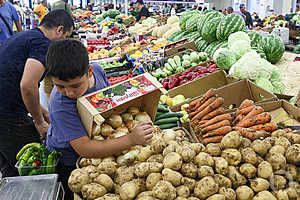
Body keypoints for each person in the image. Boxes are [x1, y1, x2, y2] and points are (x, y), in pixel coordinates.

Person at [45, 39, 154, 200]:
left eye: (75, 86)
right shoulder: (60, 104)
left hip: (99, 141)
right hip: (71, 157)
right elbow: (84, 149)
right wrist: (131, 138)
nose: (69, 93)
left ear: (89, 71)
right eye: (60, 86)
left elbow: (110, 103)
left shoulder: (97, 70)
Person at [0, 10, 73, 178]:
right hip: (7, 116)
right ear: (59, 30)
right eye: (66, 37)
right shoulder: (44, 44)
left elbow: (12, 82)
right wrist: (39, 121)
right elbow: (27, 85)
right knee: (33, 166)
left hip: (4, 112)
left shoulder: (25, 36)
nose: (64, 43)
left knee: (11, 170)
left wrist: (41, 110)